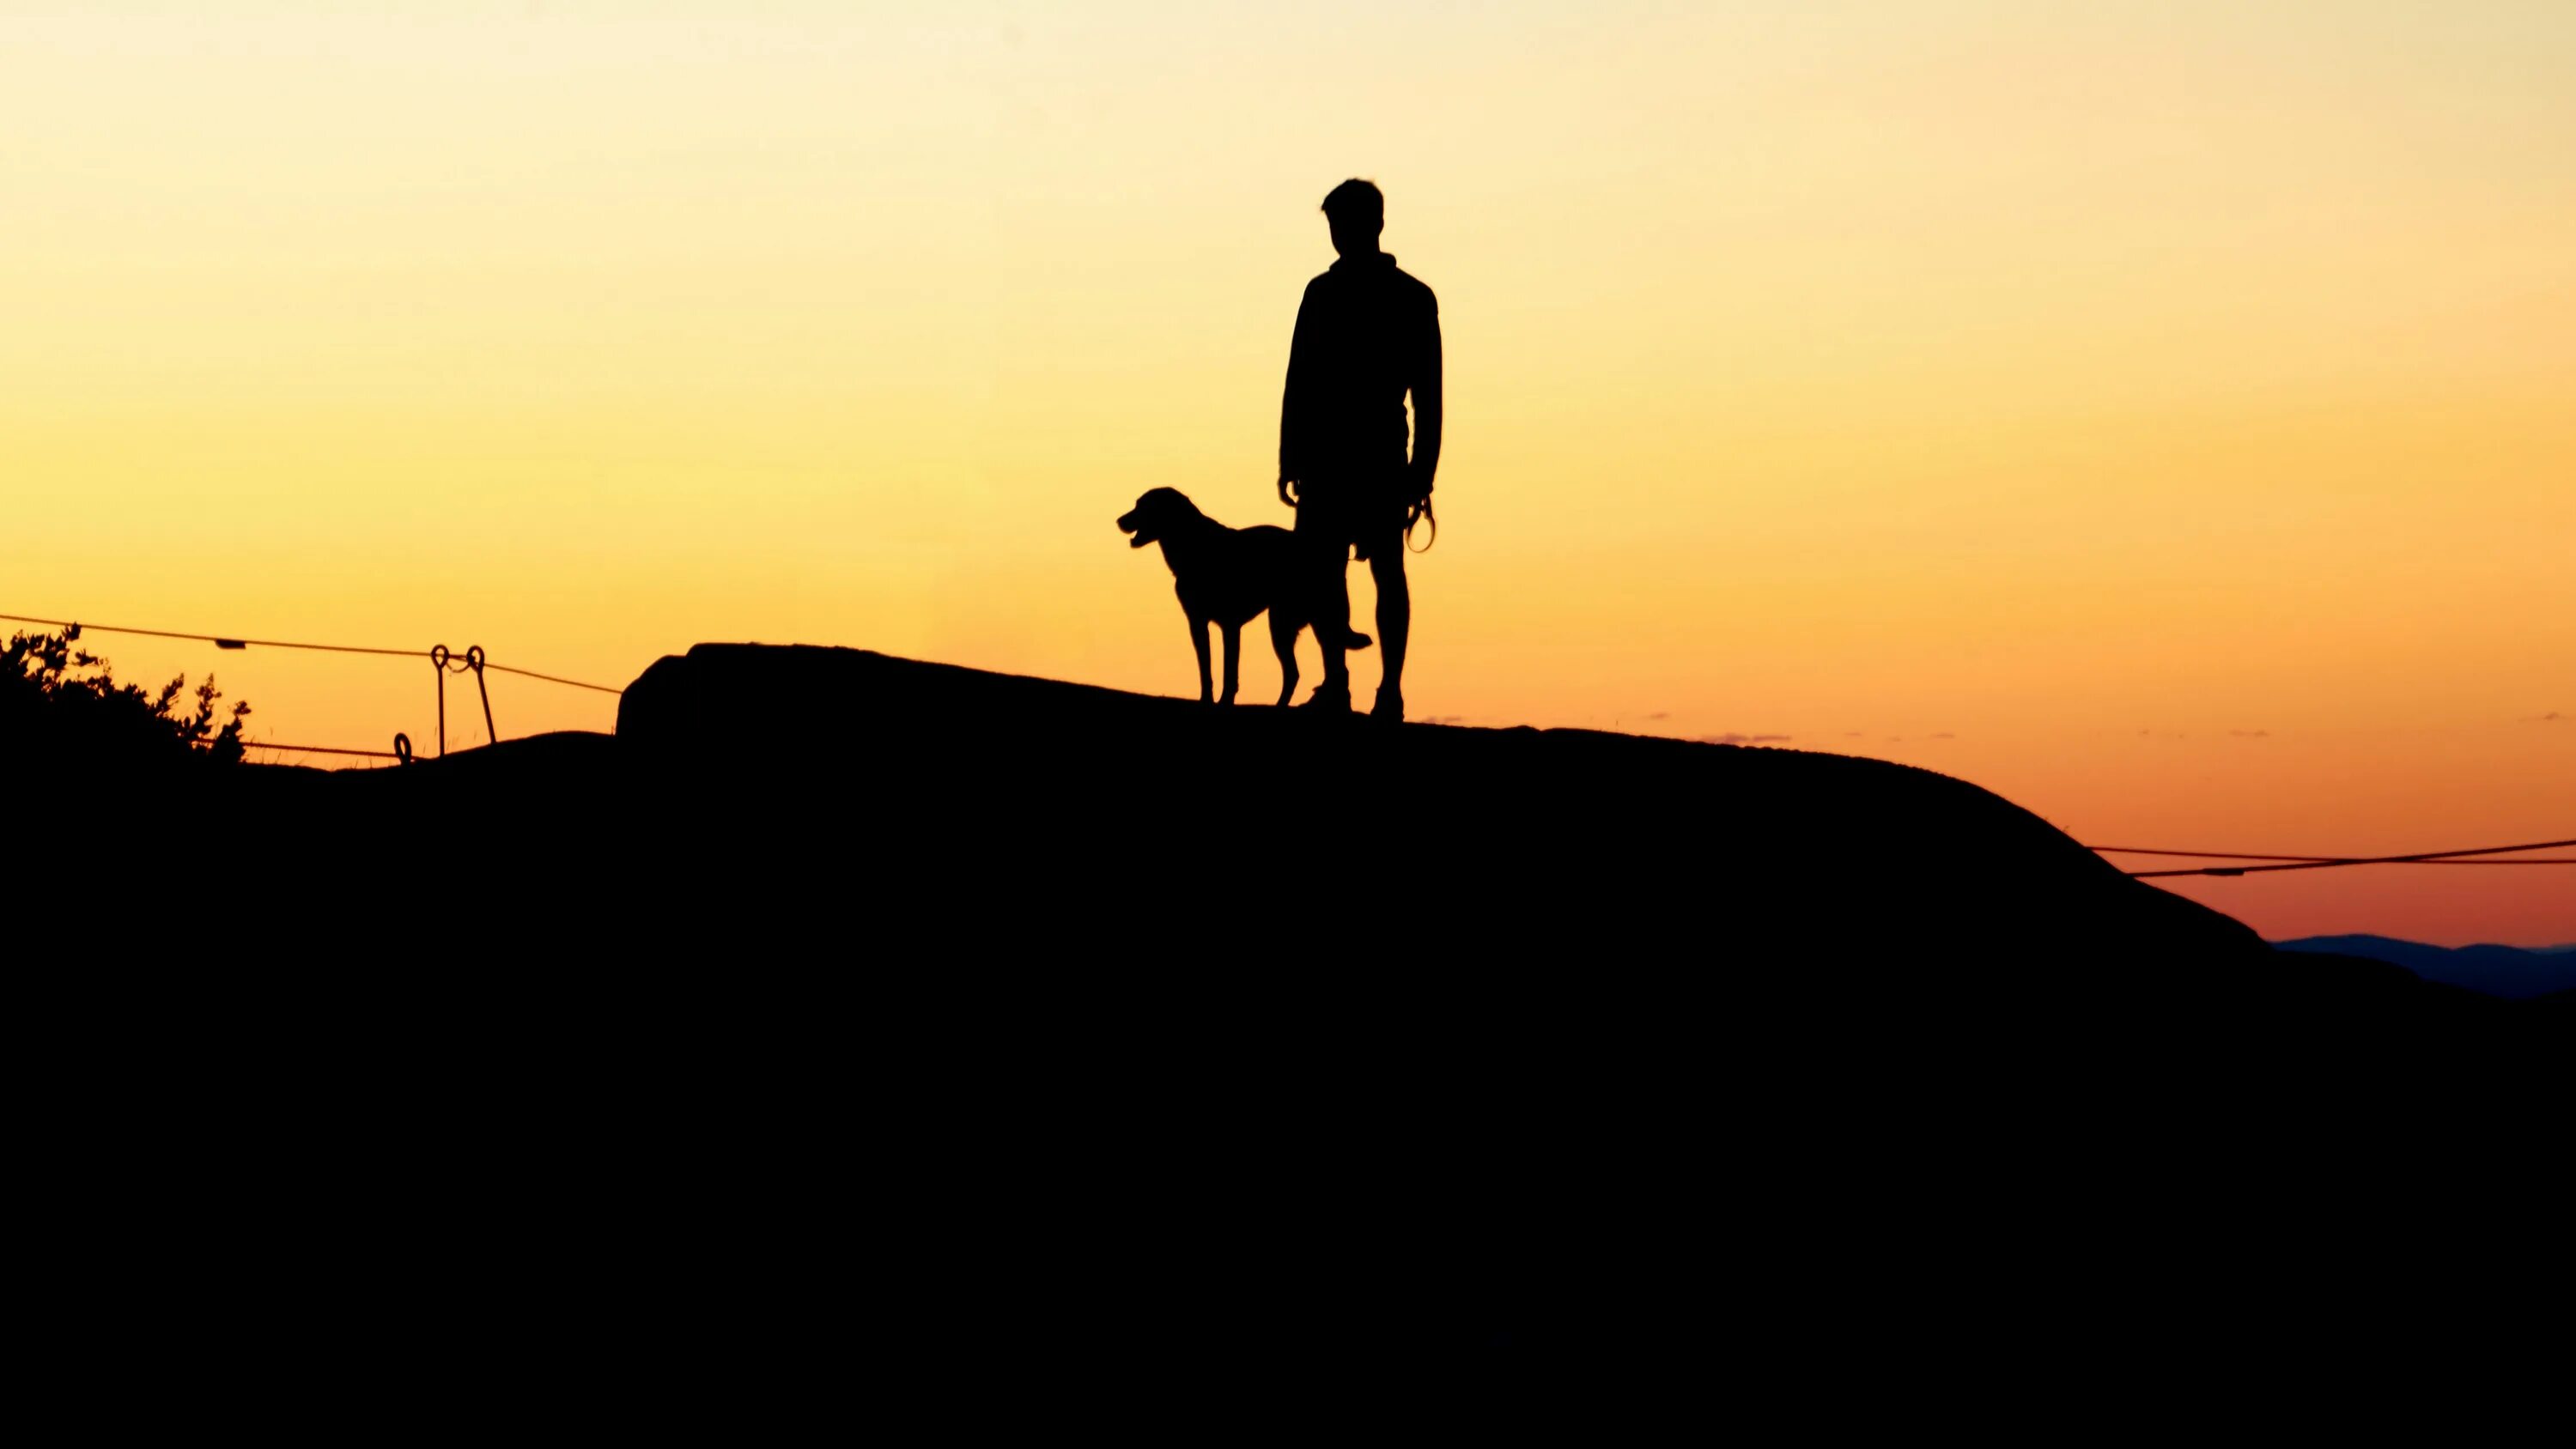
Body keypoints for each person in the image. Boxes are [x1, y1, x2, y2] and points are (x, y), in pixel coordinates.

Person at [1278, 178, 1442, 720]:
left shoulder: (1412, 298)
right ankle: (1338, 684)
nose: (1337, 234)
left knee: (1384, 571)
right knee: (1327, 573)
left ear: (1372, 224)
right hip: (1333, 459)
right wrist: (1289, 457)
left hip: (1373, 459)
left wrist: (1422, 473)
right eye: (1333, 225)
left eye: (1342, 223)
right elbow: (1298, 380)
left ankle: (1386, 689)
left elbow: (1428, 396)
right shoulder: (1323, 293)